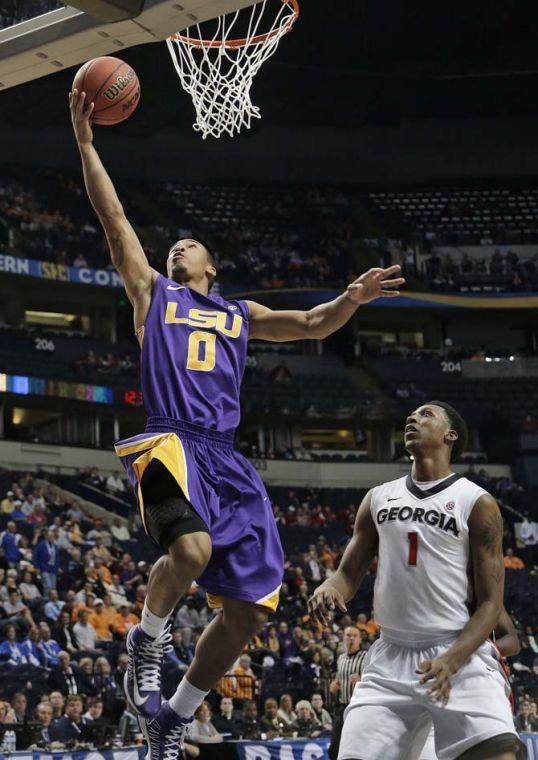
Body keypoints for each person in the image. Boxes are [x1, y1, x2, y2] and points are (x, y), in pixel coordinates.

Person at [69, 85, 404, 759]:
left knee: (253, 608)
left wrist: (352, 297)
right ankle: (146, 641)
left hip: (225, 458)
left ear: (210, 269)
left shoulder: (239, 314)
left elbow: (312, 323)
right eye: (174, 247)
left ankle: (175, 715)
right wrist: (85, 142)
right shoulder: (150, 294)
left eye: (187, 245)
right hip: (165, 443)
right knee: (188, 553)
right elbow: (113, 221)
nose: (176, 249)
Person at [309, 401, 522, 760]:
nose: (412, 418)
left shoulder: (476, 502)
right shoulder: (377, 497)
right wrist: (329, 587)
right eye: (411, 415)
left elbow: (491, 605)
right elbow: (348, 573)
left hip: (458, 654)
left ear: (449, 435)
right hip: (389, 658)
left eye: (426, 415)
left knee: (498, 753)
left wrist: (451, 660)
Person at [419, 607, 520, 759]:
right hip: (425, 677)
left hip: (475, 679)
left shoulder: (482, 594)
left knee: (496, 750)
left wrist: (469, 650)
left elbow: (513, 641)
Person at [327, 627, 368, 759]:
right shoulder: (341, 658)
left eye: (354, 636)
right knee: (334, 747)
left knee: (358, 747)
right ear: (343, 638)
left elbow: (376, 680)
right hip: (342, 706)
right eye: (348, 635)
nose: (351, 638)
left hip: (359, 708)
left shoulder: (366, 657)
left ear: (359, 639)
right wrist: (335, 684)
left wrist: (361, 680)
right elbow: (339, 679)